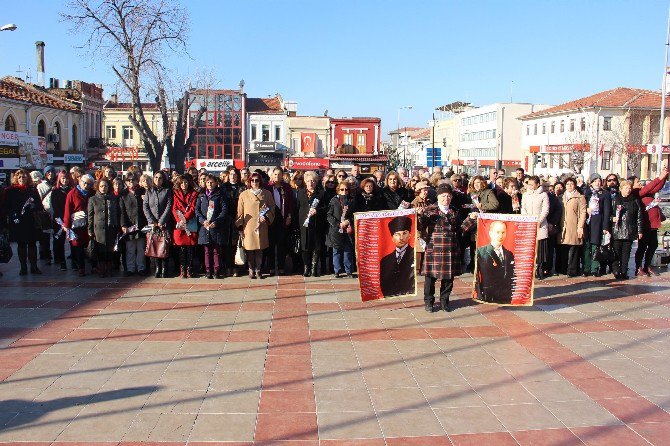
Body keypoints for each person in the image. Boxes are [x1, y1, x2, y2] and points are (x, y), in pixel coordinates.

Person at [417, 183, 462, 312]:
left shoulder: (455, 211)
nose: (446, 198)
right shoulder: (429, 210)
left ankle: (444, 301)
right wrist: (420, 216)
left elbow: (461, 228)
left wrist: (471, 219)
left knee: (448, 278)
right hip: (434, 247)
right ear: (438, 197)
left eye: (448, 196)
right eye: (443, 196)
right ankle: (429, 302)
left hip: (450, 248)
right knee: (430, 278)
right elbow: (420, 227)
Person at [5, 169, 45, 275]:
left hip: (31, 220)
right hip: (18, 221)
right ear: (16, 178)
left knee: (32, 244)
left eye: (24, 177)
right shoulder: (11, 191)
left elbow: (39, 205)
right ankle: (23, 268)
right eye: (19, 177)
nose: (22, 179)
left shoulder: (32, 189)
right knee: (21, 244)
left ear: (28, 178)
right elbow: (6, 207)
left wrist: (33, 206)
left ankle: (34, 266)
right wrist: (13, 216)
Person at [236, 173, 275, 279]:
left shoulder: (266, 193)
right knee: (249, 249)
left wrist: (266, 217)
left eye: (256, 180)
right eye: (252, 180)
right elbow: (240, 212)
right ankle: (250, 269)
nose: (254, 182)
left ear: (260, 181)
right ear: (249, 182)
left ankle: (258, 269)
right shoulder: (243, 194)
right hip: (248, 225)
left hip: (261, 225)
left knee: (259, 249)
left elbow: (272, 208)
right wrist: (239, 226)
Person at [634, 166, 669, 276]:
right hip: (644, 224)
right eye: (637, 182)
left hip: (653, 224)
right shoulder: (637, 193)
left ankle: (647, 266)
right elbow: (649, 188)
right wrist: (659, 177)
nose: (640, 183)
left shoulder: (647, 193)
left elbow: (656, 188)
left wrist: (664, 177)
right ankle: (638, 267)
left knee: (653, 245)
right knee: (642, 246)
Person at [475, 220, 515, 304]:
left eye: (503, 232)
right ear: (490, 233)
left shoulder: (509, 254)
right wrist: (479, 293)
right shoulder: (481, 252)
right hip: (488, 295)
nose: (500, 236)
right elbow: (476, 276)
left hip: (505, 296)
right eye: (497, 232)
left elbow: (512, 274)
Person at [196, 174, 228, 279]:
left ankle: (217, 270)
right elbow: (197, 210)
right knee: (206, 250)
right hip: (204, 226)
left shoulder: (220, 194)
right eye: (208, 182)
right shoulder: (201, 195)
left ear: (216, 183)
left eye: (212, 182)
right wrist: (202, 221)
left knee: (216, 250)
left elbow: (224, 209)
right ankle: (208, 270)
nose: (210, 184)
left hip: (216, 226)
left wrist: (216, 221)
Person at [296, 171, 327, 277]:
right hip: (304, 223)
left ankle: (314, 267)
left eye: (313, 181)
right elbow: (297, 207)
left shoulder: (321, 193)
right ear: (305, 181)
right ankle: (306, 267)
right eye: (309, 181)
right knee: (305, 246)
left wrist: (317, 210)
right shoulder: (300, 192)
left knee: (316, 246)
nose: (311, 183)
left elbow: (326, 208)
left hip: (317, 223)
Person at [87, 178, 120, 278]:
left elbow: (118, 213)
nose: (103, 188)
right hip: (98, 229)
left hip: (111, 227)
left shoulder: (113, 198)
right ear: (98, 187)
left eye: (105, 186)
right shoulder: (93, 199)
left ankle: (109, 268)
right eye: (101, 186)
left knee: (110, 249)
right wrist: (90, 230)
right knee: (100, 250)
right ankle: (101, 269)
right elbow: (90, 216)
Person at [143, 170, 173, 278]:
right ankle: (157, 268)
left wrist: (161, 221)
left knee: (164, 244)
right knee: (154, 244)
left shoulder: (167, 191)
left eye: (160, 178)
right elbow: (145, 206)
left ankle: (164, 268)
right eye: (156, 178)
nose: (158, 180)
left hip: (164, 223)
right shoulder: (149, 191)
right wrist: (152, 221)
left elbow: (169, 206)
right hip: (153, 224)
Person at [265, 167, 295, 275]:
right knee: (271, 245)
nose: (277, 176)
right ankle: (271, 268)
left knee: (282, 244)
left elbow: (291, 203)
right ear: (272, 175)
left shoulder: (286, 187)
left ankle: (281, 267)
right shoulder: (267, 187)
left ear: (282, 175)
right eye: (275, 174)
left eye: (279, 174)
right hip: (271, 219)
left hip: (283, 219)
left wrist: (289, 216)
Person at [611, 179, 642, 280]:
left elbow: (639, 217)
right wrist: (612, 218)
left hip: (629, 230)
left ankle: (624, 271)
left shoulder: (635, 200)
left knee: (626, 252)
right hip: (617, 229)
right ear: (621, 189)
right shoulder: (615, 199)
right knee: (616, 251)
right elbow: (608, 213)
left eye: (630, 188)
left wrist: (640, 230)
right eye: (626, 188)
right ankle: (616, 269)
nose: (628, 190)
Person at [63, 174, 94, 276]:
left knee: (91, 245)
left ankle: (94, 266)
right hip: (77, 224)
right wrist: (66, 225)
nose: (86, 185)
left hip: (90, 223)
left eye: (89, 184)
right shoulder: (72, 193)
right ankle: (81, 268)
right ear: (80, 182)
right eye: (84, 183)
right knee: (78, 246)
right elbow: (67, 210)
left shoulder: (92, 193)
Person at [582, 173, 612, 277]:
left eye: (599, 181)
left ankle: (594, 268)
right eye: (595, 181)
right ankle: (586, 267)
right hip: (586, 221)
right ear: (591, 182)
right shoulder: (586, 192)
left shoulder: (604, 194)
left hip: (597, 221)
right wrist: (586, 210)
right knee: (586, 245)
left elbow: (607, 211)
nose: (597, 183)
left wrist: (605, 226)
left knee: (595, 245)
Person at [521, 176, 550, 280]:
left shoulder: (543, 195)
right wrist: (527, 219)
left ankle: (540, 269)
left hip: (540, 226)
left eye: (532, 184)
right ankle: (530, 270)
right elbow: (523, 208)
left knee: (541, 250)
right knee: (530, 249)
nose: (530, 186)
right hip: (528, 225)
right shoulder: (525, 195)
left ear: (537, 185)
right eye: (529, 184)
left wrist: (538, 221)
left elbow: (545, 210)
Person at [119, 172, 148, 276]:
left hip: (141, 224)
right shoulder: (123, 194)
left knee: (141, 248)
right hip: (129, 224)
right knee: (130, 248)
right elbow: (122, 211)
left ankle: (141, 267)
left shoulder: (142, 191)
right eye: (129, 180)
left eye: (133, 180)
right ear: (126, 182)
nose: (131, 182)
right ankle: (130, 268)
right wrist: (123, 225)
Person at [379, 215, 415, 296]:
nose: (401, 238)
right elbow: (383, 283)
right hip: (390, 297)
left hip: (409, 296)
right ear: (392, 238)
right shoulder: (385, 260)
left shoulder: (414, 255)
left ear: (409, 235)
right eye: (397, 234)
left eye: (404, 233)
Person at [558, 178, 586, 277]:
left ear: (575, 185)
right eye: (568, 184)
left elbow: (583, 212)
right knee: (564, 248)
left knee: (574, 248)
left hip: (574, 225)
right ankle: (563, 268)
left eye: (572, 184)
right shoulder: (561, 197)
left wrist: (580, 226)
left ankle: (572, 270)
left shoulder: (579, 197)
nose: (569, 186)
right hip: (563, 225)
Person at [172, 175, 199, 279]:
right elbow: (174, 208)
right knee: (181, 248)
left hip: (189, 222)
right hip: (180, 224)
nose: (184, 184)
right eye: (182, 182)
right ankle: (182, 269)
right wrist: (180, 220)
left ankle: (189, 269)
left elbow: (192, 208)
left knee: (190, 247)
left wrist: (184, 218)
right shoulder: (175, 194)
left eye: (186, 182)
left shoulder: (194, 194)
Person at [327, 180, 355, 278]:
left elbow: (354, 214)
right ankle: (337, 271)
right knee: (336, 250)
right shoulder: (334, 200)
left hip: (348, 228)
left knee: (347, 250)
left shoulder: (352, 200)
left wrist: (348, 221)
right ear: (338, 190)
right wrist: (338, 224)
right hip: (336, 229)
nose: (344, 191)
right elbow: (329, 215)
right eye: (342, 189)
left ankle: (349, 271)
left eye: (346, 189)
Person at [224, 168, 246, 276]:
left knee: (238, 243)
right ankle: (228, 267)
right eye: (231, 174)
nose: (233, 176)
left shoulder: (242, 187)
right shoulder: (224, 187)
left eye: (235, 174)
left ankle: (237, 267)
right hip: (227, 219)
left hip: (239, 217)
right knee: (228, 245)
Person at [411, 181, 431, 270]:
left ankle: (423, 266)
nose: (426, 192)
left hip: (427, 227)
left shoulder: (429, 201)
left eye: (427, 190)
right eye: (424, 190)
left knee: (425, 248)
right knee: (419, 249)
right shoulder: (415, 202)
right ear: (419, 191)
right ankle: (418, 268)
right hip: (419, 228)